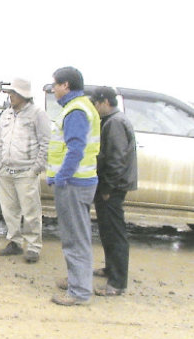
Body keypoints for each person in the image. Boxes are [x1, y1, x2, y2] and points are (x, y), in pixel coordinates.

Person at [47, 67, 100, 306]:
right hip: (80, 181)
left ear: (66, 85)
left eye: (55, 84)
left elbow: (75, 149)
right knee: (77, 235)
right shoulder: (80, 106)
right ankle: (76, 281)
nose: (53, 88)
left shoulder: (76, 110)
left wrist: (61, 177)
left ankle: (79, 292)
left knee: (74, 238)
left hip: (74, 183)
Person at [0, 78, 50, 263]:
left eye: (13, 93)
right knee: (9, 210)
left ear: (23, 95)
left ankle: (33, 246)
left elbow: (45, 143)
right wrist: (0, 163)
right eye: (10, 93)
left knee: (30, 211)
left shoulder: (37, 114)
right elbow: (0, 141)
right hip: (6, 171)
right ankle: (14, 242)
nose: (10, 96)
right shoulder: (6, 115)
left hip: (26, 171)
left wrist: (35, 168)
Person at [91, 86, 138, 296]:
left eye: (95, 103)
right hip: (111, 185)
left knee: (115, 233)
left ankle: (117, 284)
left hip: (114, 187)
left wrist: (108, 188)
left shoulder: (115, 123)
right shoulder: (113, 121)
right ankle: (110, 269)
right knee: (107, 231)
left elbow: (117, 159)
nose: (94, 108)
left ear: (105, 102)